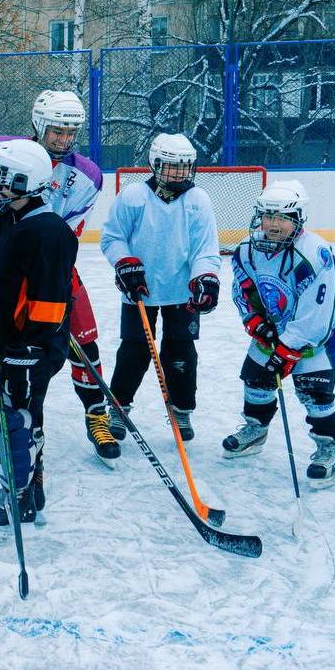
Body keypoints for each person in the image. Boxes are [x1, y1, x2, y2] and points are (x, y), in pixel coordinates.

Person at [0, 90, 117, 475]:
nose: (65, 140)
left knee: (83, 339)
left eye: (71, 132)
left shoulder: (87, 175)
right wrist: (18, 231)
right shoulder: (1, 154)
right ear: (38, 125)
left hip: (53, 263)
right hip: (7, 262)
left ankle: (96, 414)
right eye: (57, 131)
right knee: (3, 341)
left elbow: (67, 232)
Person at [0, 139, 78, 529]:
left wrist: (25, 348)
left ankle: (14, 499)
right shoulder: (11, 221)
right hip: (12, 342)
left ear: (23, 181)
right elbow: (1, 283)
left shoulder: (48, 232)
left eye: (1, 177)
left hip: (30, 347)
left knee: (16, 421)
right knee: (22, 418)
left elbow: (50, 303)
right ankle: (30, 492)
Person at [222, 181, 335, 488]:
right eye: (267, 216)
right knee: (256, 380)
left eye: (282, 217)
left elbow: (317, 314)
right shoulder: (247, 249)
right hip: (271, 332)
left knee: (314, 394)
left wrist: (288, 347)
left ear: (298, 219)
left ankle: (330, 449)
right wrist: (255, 323)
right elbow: (244, 290)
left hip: (313, 339)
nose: (273, 224)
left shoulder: (315, 252)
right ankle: (255, 430)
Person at [100, 133, 221, 442]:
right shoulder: (133, 197)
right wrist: (125, 263)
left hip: (182, 293)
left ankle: (181, 410)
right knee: (134, 352)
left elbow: (205, 249)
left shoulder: (198, 201)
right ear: (154, 164)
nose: (179, 173)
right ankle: (118, 407)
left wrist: (205, 277)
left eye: (185, 167)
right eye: (171, 167)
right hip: (139, 291)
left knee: (181, 353)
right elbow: (112, 237)